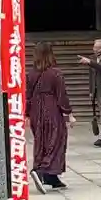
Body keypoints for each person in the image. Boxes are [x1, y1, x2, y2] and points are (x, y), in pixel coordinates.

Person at [27, 45, 75, 189]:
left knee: (41, 142)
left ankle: (50, 177)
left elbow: (27, 95)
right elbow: (61, 95)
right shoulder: (55, 73)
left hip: (36, 111)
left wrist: (27, 113)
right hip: (51, 110)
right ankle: (42, 171)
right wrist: (69, 113)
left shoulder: (31, 74)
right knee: (56, 141)